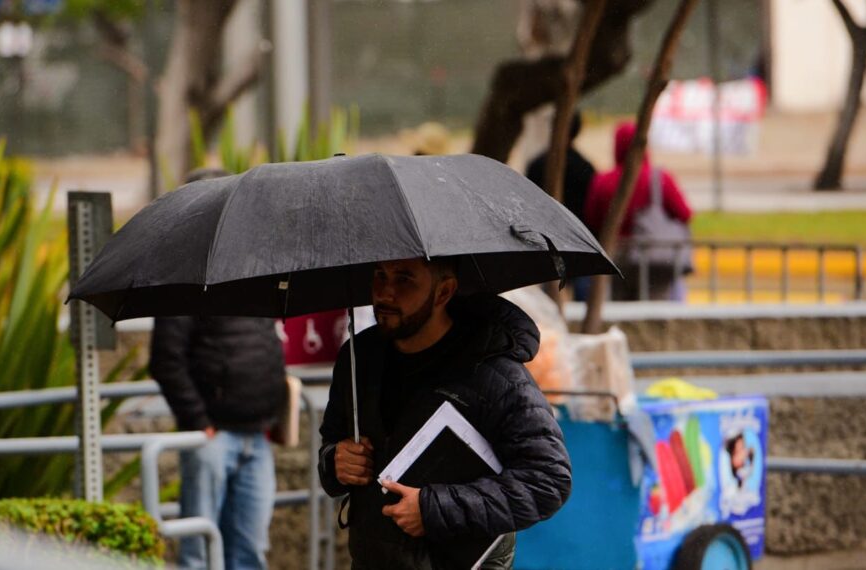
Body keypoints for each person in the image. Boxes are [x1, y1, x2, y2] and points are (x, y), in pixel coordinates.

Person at [317, 257, 572, 569]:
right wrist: (336, 461)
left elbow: (547, 480)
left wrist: (434, 509)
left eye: (404, 279)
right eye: (379, 276)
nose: (385, 292)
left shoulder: (495, 373)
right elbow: (331, 442)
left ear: (444, 291)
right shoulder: (358, 358)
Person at [148, 168, 287, 570]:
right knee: (199, 553)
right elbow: (166, 360)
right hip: (212, 439)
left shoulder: (254, 270)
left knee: (250, 551)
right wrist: (199, 421)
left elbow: (264, 343)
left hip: (257, 437)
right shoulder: (182, 279)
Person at [584, 121, 694, 301]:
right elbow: (685, 214)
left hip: (615, 258)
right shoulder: (659, 179)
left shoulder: (602, 181)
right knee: (657, 311)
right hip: (655, 258)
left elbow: (592, 219)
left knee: (619, 311)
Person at [525, 111, 598, 300]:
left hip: (547, 245)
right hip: (580, 244)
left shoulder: (537, 165)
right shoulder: (585, 168)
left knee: (547, 296)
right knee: (582, 295)